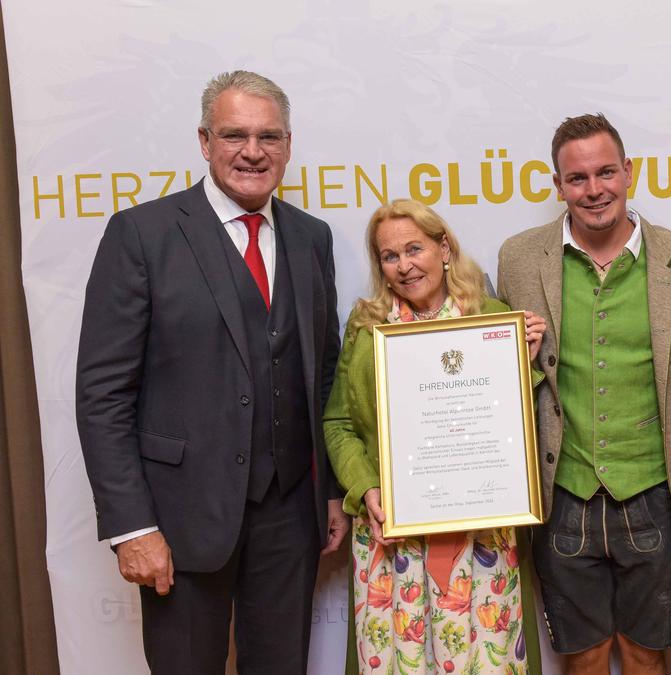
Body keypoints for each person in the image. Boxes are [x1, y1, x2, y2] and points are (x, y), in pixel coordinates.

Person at [75, 70, 348, 673]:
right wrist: (131, 527)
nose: (253, 152)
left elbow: (323, 373)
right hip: (178, 520)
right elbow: (102, 396)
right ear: (204, 141)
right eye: (235, 135)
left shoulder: (311, 238)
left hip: (289, 517)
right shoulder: (141, 235)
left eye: (269, 137)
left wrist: (330, 489)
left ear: (288, 144)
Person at [496, 113, 671, 674]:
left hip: (656, 491)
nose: (594, 190)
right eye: (578, 178)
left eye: (606, 172)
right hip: (563, 494)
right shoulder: (519, 260)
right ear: (557, 185)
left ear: (629, 173)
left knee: (648, 658)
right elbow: (500, 386)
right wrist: (514, 358)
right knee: (583, 661)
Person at [323, 199, 546, 674]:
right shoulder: (366, 328)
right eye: (389, 255)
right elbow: (339, 424)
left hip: (480, 536)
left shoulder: (491, 316)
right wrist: (366, 488)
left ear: (444, 248)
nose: (404, 265)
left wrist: (525, 361)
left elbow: (513, 421)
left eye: (414, 249)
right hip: (393, 536)